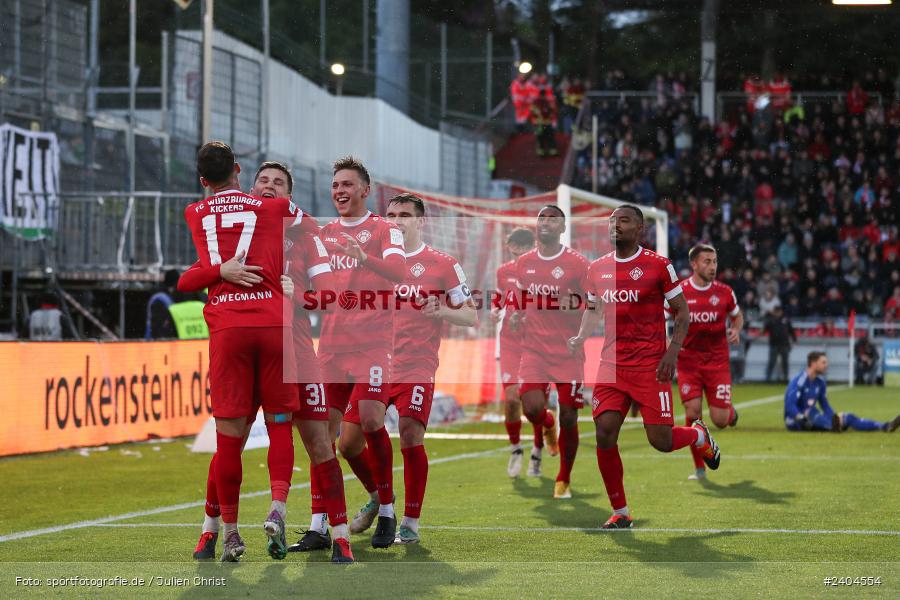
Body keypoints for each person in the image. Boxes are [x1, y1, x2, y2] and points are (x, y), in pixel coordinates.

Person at [180, 161, 354, 563]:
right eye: (264, 181)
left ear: (289, 195)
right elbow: (195, 273)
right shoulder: (232, 233)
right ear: (248, 186)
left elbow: (327, 295)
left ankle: (339, 537)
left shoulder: (305, 238)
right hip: (249, 347)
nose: (270, 187)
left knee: (319, 442)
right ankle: (210, 531)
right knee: (232, 442)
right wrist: (218, 271)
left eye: (279, 183)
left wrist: (300, 295)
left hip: (295, 353)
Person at [182, 142, 304, 562]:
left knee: (228, 442)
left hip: (228, 328)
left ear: (202, 181)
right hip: (273, 326)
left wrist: (218, 271)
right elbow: (318, 227)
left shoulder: (194, 212)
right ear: (240, 171)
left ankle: (229, 532)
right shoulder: (273, 209)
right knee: (281, 426)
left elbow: (186, 280)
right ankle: (277, 508)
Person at [569, 205, 721, 529]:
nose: (615, 225)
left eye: (623, 221)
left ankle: (697, 435)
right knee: (604, 433)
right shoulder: (596, 269)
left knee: (661, 442)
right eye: (612, 221)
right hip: (611, 364)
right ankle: (620, 512)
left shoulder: (658, 266)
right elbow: (593, 309)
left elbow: (682, 313)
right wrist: (581, 336)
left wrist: (672, 352)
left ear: (639, 229)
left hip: (651, 366)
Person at [318, 156, 407, 549]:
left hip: (373, 343)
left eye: (348, 184)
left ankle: (387, 512)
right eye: (336, 184)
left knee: (372, 420)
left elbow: (399, 273)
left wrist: (362, 257)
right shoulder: (322, 233)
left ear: (365, 190)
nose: (340, 190)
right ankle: (321, 526)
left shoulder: (385, 229)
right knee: (330, 440)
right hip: (333, 346)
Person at [384, 193, 477, 543]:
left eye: (405, 214)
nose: (397, 220)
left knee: (409, 432)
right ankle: (380, 497)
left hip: (416, 364)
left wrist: (442, 311)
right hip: (373, 363)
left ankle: (410, 520)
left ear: (421, 221)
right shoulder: (372, 262)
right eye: (391, 214)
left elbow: (470, 314)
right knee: (350, 440)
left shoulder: (442, 264)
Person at [511, 205, 589, 499]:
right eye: (541, 218)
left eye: (552, 219)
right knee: (530, 408)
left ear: (562, 227)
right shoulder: (524, 263)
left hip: (568, 351)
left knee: (569, 416)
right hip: (534, 350)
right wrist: (517, 314)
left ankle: (564, 478)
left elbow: (596, 305)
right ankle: (545, 423)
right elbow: (520, 298)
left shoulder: (578, 264)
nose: (545, 222)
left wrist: (578, 308)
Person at [668, 244, 743, 481]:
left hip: (717, 362)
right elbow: (662, 316)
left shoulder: (724, 292)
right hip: (688, 362)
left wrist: (736, 329)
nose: (712, 266)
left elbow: (737, 315)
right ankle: (699, 468)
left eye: (715, 261)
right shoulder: (679, 292)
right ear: (694, 264)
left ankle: (731, 415)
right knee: (693, 412)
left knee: (720, 420)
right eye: (707, 262)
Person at [489, 227, 536, 478]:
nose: (517, 252)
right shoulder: (503, 271)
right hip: (508, 340)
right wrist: (495, 310)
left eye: (522, 248)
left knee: (532, 406)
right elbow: (499, 298)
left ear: (531, 247)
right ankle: (517, 449)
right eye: (513, 248)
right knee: (511, 399)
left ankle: (540, 443)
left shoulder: (543, 272)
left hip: (537, 342)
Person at [784, 352, 899, 433]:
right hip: (794, 421)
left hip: (814, 419)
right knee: (812, 411)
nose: (826, 365)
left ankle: (884, 426)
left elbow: (825, 405)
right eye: (823, 362)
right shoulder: (799, 381)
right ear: (813, 363)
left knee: (848, 417)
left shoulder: (820, 383)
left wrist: (835, 418)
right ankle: (832, 427)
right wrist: (801, 417)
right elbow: (789, 407)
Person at [764, 305, 796, 382]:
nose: (778, 313)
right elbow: (764, 329)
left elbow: (791, 331)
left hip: (784, 344)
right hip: (773, 344)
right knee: (771, 361)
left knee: (785, 362)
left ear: (781, 312)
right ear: (774, 312)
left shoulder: (786, 320)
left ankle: (785, 377)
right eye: (776, 311)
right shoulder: (770, 320)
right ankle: (768, 378)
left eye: (779, 311)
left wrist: (794, 340)